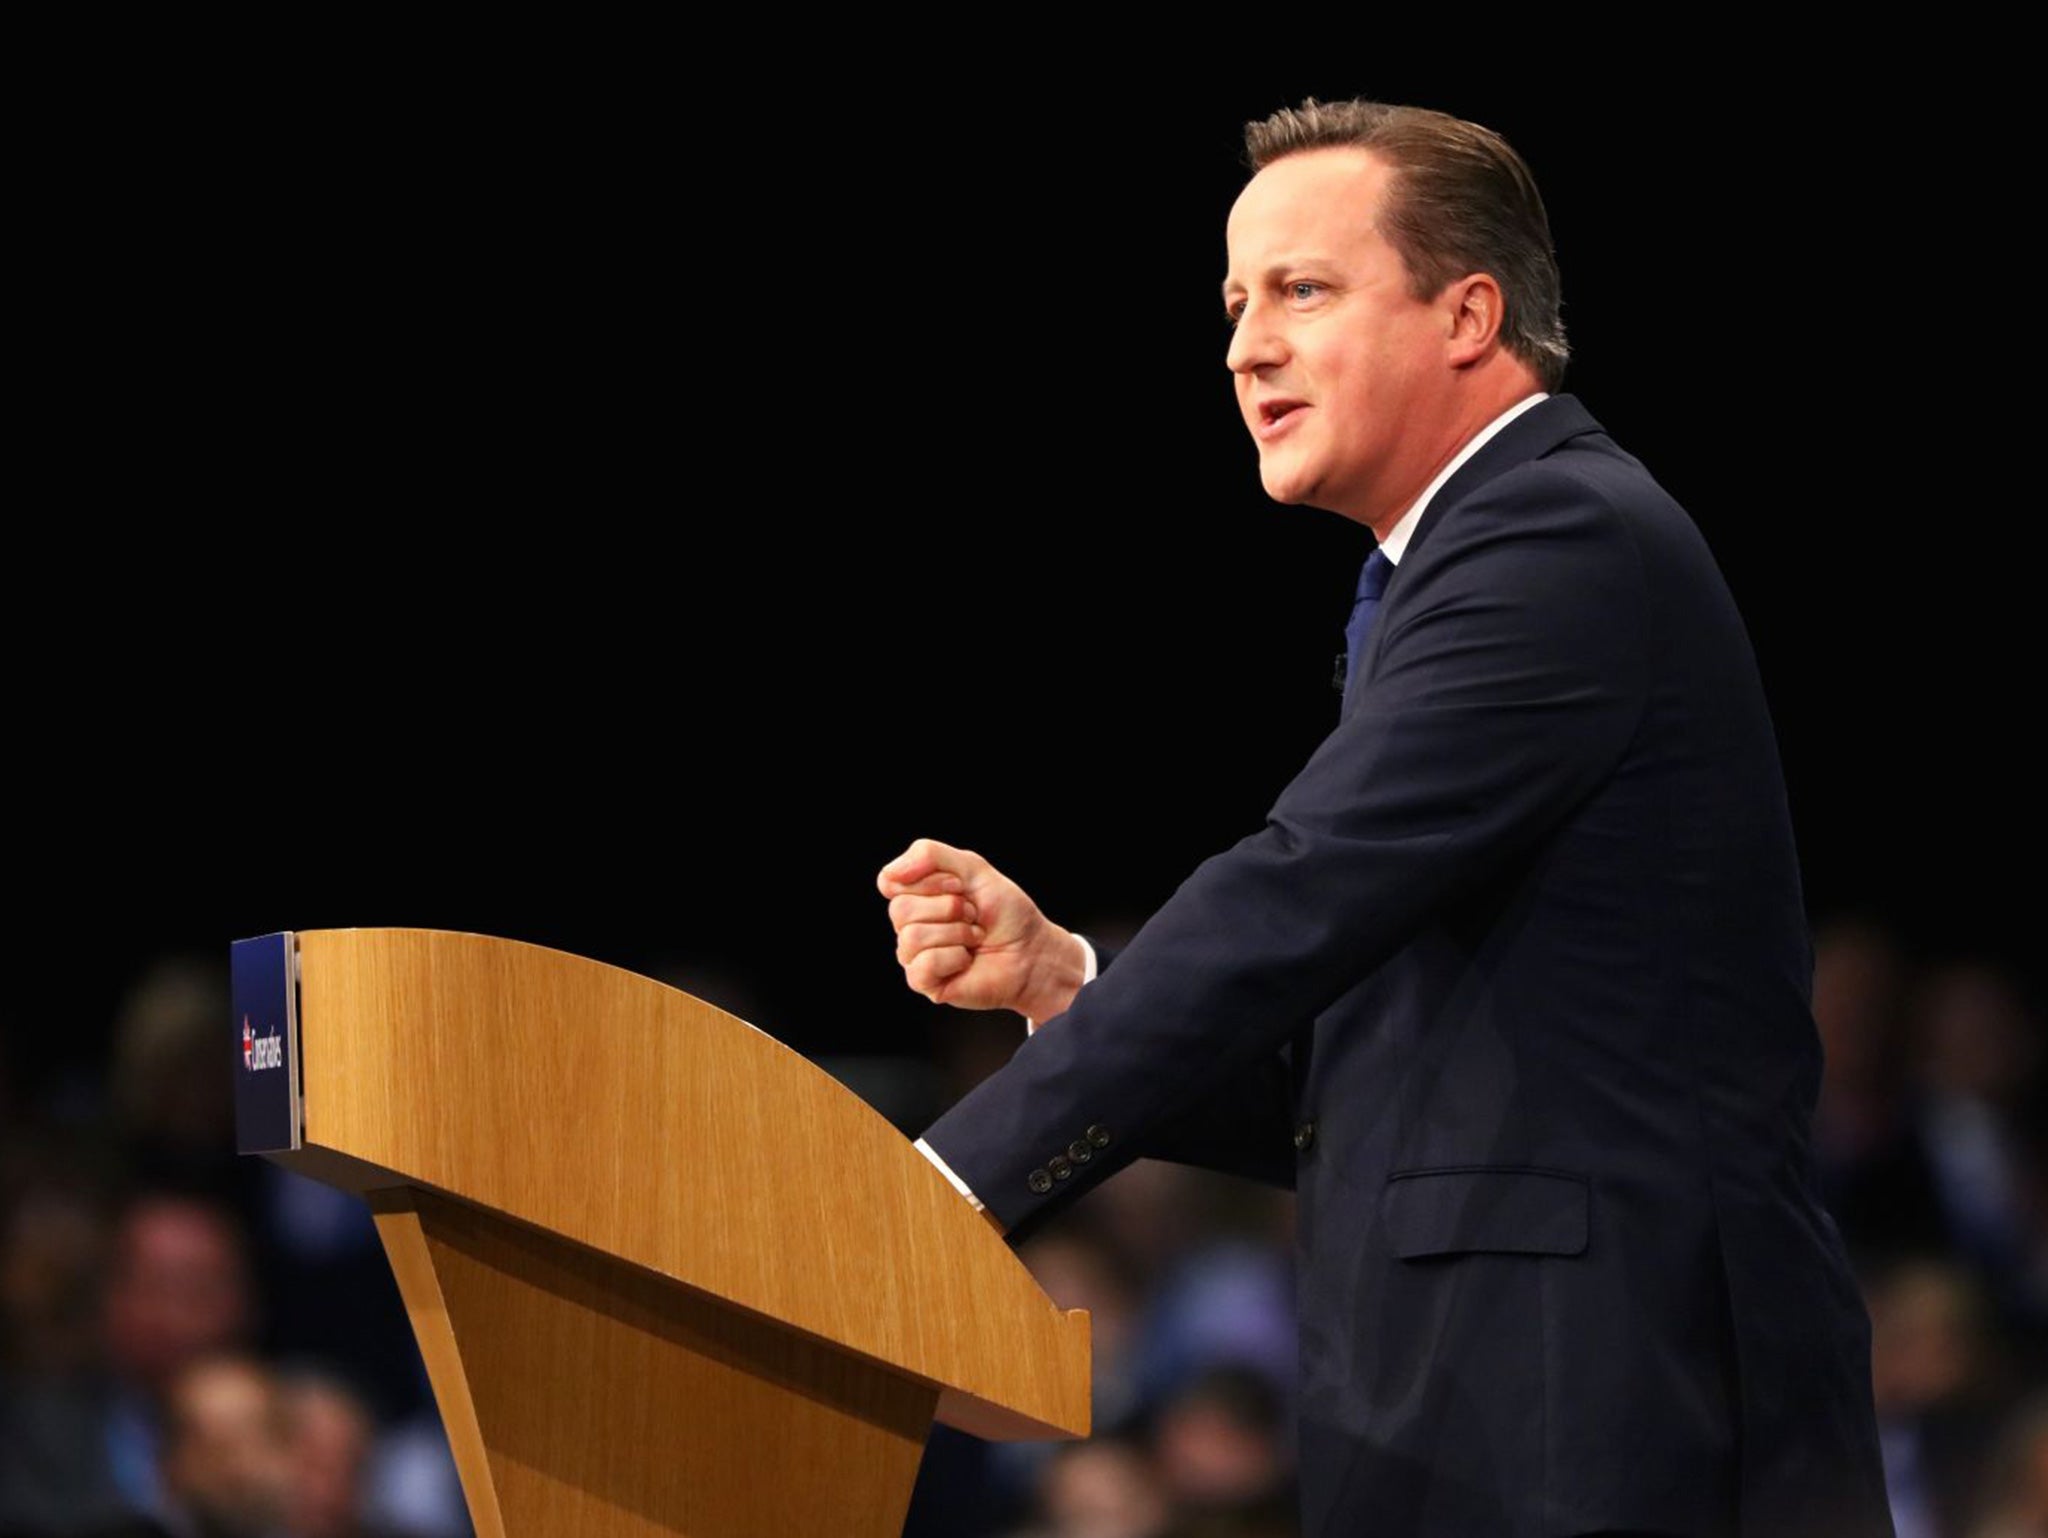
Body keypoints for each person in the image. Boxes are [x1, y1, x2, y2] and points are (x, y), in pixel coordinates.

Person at [878, 98, 1895, 1537]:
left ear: (1468, 314)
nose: (1245, 345)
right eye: (1234, 302)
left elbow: (1292, 893)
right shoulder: (1453, 574)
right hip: (1488, 1416)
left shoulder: (1559, 542)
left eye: (1302, 288)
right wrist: (1065, 983)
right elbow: (1371, 1094)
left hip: (1609, 1408)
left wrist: (928, 1189)